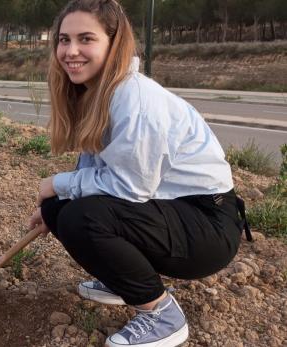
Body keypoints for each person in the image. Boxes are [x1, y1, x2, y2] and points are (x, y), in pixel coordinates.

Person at [27, 1, 247, 346]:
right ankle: (122, 283)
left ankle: (163, 315)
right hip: (172, 210)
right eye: (64, 40)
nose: (70, 51)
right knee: (59, 209)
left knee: (82, 217)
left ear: (114, 43)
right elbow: (96, 166)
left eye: (86, 39)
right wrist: (55, 201)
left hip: (208, 226)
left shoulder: (135, 97)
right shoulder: (100, 91)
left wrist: (56, 182)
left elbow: (129, 188)